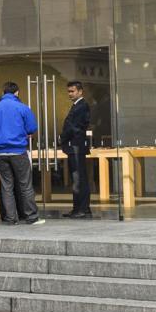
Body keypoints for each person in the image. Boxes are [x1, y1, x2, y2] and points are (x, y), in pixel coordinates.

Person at [0, 82, 43, 227]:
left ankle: (11, 218)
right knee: (25, 185)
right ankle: (31, 217)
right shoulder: (22, 108)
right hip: (18, 151)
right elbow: (31, 128)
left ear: (3, 92)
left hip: (1, 153)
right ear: (17, 92)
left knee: (6, 186)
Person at [60, 80, 92, 219]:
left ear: (80, 91)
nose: (70, 94)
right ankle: (79, 208)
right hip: (74, 145)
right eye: (69, 91)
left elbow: (74, 127)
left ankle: (82, 209)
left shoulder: (82, 106)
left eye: (72, 91)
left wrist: (63, 137)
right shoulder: (77, 106)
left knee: (79, 178)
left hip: (76, 145)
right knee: (77, 178)